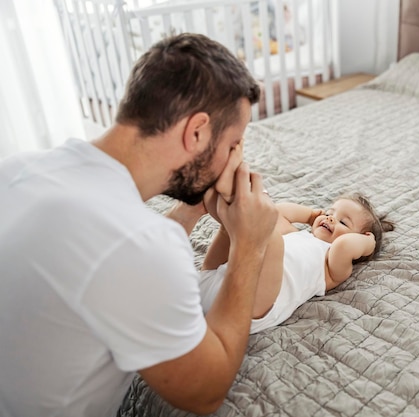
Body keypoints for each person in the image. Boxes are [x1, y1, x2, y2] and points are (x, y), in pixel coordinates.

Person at [0, 33, 278, 417]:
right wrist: (249, 245)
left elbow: (115, 257)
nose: (235, 158)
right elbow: (205, 391)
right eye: (233, 144)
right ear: (196, 132)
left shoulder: (18, 168)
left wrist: (191, 209)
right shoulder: (140, 243)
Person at [199, 159, 395, 333]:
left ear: (359, 243)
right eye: (329, 212)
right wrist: (311, 215)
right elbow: (278, 213)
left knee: (270, 236)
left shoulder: (333, 265)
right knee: (263, 228)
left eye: (343, 223)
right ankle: (224, 218)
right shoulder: (296, 235)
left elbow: (344, 246)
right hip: (215, 283)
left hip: (251, 306)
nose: (330, 218)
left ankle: (237, 213)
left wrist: (370, 243)